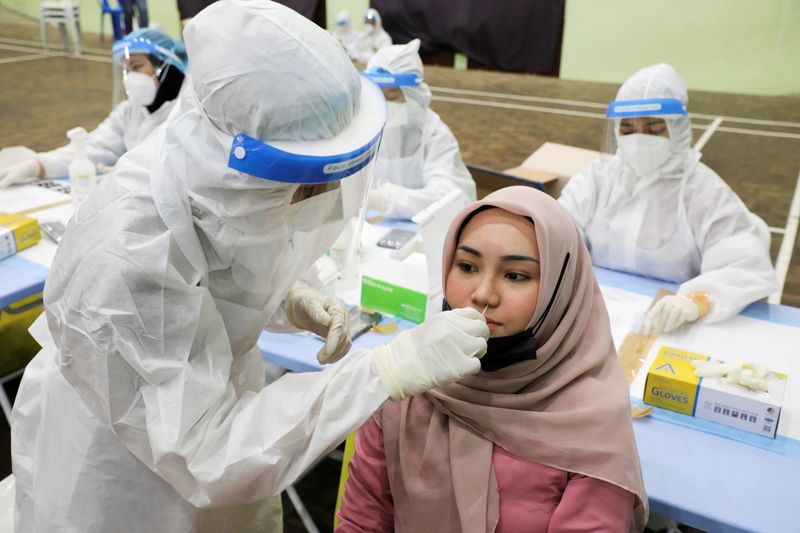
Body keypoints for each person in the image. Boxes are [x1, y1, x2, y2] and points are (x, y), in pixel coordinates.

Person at [10, 2, 489, 531]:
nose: (321, 195)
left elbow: (229, 253)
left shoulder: (209, 178)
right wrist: (381, 373)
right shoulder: (126, 257)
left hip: (221, 415)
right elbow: (205, 453)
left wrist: (292, 297)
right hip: (127, 469)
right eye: (307, 178)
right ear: (237, 155)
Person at [337, 186, 648, 532]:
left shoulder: (589, 421)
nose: (483, 294)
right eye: (467, 266)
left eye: (515, 275)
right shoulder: (410, 378)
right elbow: (362, 521)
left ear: (560, 291)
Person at [558, 63, 777, 334]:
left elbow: (745, 267)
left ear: (678, 129)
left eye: (652, 130)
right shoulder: (598, 177)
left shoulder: (704, 190)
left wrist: (696, 302)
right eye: (627, 130)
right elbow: (558, 230)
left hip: (675, 326)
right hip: (598, 312)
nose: (639, 140)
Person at [0, 28, 187, 188]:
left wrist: (129, 174)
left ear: (167, 67)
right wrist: (38, 166)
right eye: (126, 70)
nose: (129, 77)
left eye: (136, 67)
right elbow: (94, 147)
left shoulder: (188, 113)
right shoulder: (130, 111)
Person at [363, 39, 476, 219]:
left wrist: (384, 200)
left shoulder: (435, 134)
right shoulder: (365, 130)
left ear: (413, 94)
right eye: (378, 92)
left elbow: (446, 197)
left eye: (391, 93)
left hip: (424, 231)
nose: (384, 104)